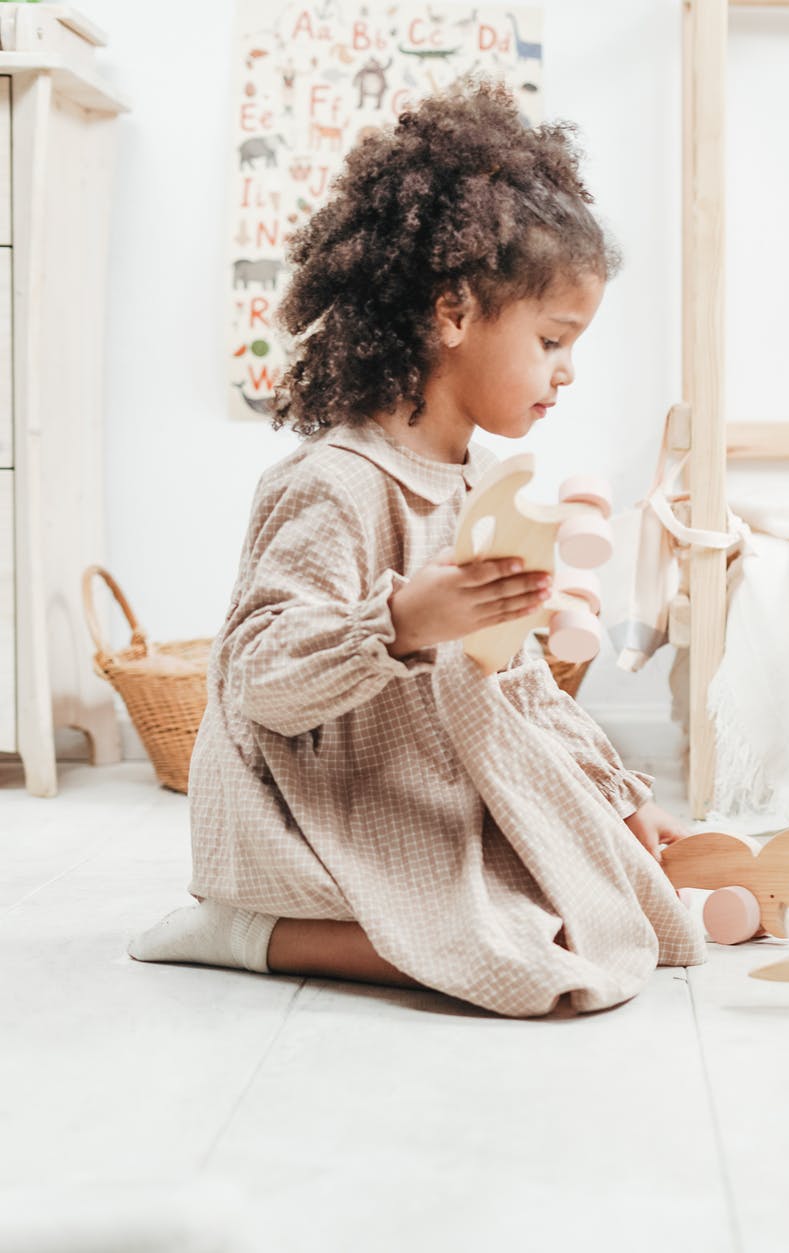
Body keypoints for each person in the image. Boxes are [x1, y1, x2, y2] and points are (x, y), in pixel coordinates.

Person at [130, 83, 704, 1017]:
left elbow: (513, 679)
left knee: (623, 909)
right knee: (530, 961)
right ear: (453, 314)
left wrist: (616, 795)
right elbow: (259, 676)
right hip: (320, 807)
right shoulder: (336, 482)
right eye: (553, 339)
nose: (569, 371)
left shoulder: (481, 486)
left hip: (415, 790)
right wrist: (400, 622)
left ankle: (429, 908)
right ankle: (249, 930)